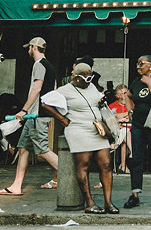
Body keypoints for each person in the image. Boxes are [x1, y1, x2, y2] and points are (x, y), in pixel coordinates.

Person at [42, 63, 119, 214]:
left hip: (98, 129)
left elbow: (95, 101)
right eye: (85, 77)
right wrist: (62, 119)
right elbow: (45, 103)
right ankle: (89, 203)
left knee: (106, 163)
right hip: (78, 129)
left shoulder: (92, 87)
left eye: (91, 77)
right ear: (76, 77)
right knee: (84, 164)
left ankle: (108, 203)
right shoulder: (65, 90)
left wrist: (101, 102)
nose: (89, 80)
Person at [0, 37, 59, 196]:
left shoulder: (38, 65)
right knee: (23, 149)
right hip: (40, 115)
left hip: (34, 115)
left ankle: (69, 173)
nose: (28, 51)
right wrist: (50, 115)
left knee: (42, 150)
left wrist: (23, 111)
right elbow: (53, 90)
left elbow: (36, 89)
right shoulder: (50, 66)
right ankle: (16, 186)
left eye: (29, 48)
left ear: (34, 47)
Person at [123, 55, 151, 209]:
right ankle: (135, 194)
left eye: (141, 64)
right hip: (137, 124)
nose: (138, 66)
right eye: (137, 63)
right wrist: (130, 110)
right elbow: (128, 96)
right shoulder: (136, 82)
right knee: (136, 159)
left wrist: (149, 82)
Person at [108, 85, 132, 173]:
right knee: (125, 131)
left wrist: (120, 117)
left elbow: (134, 115)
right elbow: (111, 117)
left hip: (132, 131)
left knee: (125, 141)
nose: (127, 95)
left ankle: (123, 166)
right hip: (117, 132)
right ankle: (132, 152)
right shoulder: (111, 106)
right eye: (124, 93)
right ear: (118, 96)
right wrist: (127, 114)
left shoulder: (131, 103)